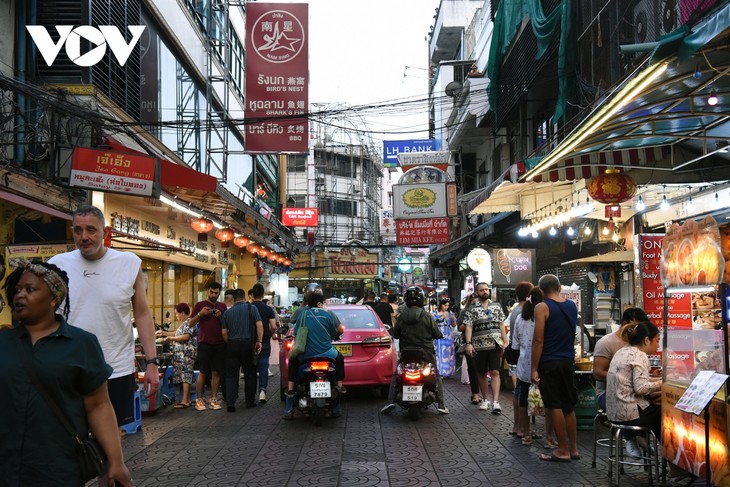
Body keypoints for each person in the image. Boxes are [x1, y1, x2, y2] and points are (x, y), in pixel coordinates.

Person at [0, 260, 132, 486]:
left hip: (58, 469)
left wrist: (115, 461)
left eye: (30, 290)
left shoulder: (81, 344)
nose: (20, 295)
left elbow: (98, 405)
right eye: (18, 290)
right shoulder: (3, 343)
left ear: (54, 299)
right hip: (6, 468)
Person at [49, 204, 160, 430]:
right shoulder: (57, 265)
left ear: (105, 233)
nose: (84, 237)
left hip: (116, 368)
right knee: (70, 436)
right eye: (78, 231)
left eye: (91, 230)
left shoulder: (129, 263)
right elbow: (46, 317)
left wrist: (151, 363)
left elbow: (142, 314)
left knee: (112, 437)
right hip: (69, 368)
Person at [531, 274, 579, 462]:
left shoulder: (542, 307)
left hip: (549, 362)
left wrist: (534, 367)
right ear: (559, 288)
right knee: (568, 405)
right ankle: (573, 449)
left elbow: (538, 339)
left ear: (541, 291)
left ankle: (562, 450)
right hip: (568, 362)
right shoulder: (571, 306)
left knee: (554, 405)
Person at [380, 286, 449, 415]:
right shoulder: (427, 316)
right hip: (426, 353)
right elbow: (435, 333)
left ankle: (390, 401)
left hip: (406, 352)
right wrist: (439, 335)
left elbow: (396, 334)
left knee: (396, 375)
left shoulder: (401, 317)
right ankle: (441, 404)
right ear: (421, 300)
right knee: (436, 375)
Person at [592, 307, 650, 457]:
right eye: (637, 327)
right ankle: (631, 437)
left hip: (636, 393)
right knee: (625, 403)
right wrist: (624, 380)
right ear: (625, 324)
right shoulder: (606, 343)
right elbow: (598, 373)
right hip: (608, 395)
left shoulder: (639, 344)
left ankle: (644, 437)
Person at [284, 286, 345, 420]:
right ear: (319, 303)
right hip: (327, 352)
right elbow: (339, 331)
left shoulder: (303, 314)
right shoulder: (328, 314)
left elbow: (296, 333)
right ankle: (339, 389)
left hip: (306, 354)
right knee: (340, 359)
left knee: (292, 362)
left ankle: (290, 398)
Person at [606, 321, 662, 449]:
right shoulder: (640, 355)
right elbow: (641, 388)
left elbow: (632, 381)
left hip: (613, 413)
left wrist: (657, 379)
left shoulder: (622, 351)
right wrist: (662, 383)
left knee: (654, 409)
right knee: (664, 414)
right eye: (657, 340)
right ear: (647, 340)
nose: (658, 346)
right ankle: (667, 457)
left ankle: (641, 440)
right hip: (628, 415)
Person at [460, 282, 507, 413]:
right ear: (477, 292)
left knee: (495, 372)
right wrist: (469, 343)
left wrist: (505, 342)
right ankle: (486, 399)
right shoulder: (472, 308)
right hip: (479, 345)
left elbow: (501, 324)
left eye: (487, 289)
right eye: (482, 290)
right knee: (481, 373)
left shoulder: (496, 306)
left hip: (495, 343)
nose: (485, 292)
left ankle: (496, 401)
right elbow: (468, 326)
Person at [511, 285, 546, 446]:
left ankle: (525, 433)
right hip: (543, 363)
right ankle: (550, 437)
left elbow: (515, 345)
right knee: (549, 399)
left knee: (523, 397)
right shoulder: (545, 317)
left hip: (524, 364)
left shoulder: (520, 318)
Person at [221, 289, 263, 411]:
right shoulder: (252, 308)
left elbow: (224, 332)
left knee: (231, 375)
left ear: (233, 299)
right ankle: (249, 401)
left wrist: (229, 341)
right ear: (244, 297)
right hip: (248, 345)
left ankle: (230, 403)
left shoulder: (227, 313)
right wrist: (259, 341)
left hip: (232, 345)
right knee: (250, 373)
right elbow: (259, 325)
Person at [189, 281, 227, 411]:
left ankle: (213, 398)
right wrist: (200, 314)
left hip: (220, 344)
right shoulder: (200, 305)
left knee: (216, 372)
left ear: (219, 293)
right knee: (203, 372)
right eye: (211, 292)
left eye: (216, 293)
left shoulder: (222, 306)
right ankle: (199, 399)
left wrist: (221, 316)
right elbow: (190, 324)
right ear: (207, 291)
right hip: (204, 343)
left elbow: (226, 325)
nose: (213, 295)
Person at [156, 302, 197, 409]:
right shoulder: (184, 323)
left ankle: (185, 401)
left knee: (185, 375)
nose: (176, 316)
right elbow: (177, 333)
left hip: (186, 354)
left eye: (177, 314)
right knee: (183, 375)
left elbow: (185, 337)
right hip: (181, 355)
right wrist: (163, 333)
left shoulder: (189, 322)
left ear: (183, 313)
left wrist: (170, 339)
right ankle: (185, 399)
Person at [507, 281, 533, 437]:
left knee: (518, 390)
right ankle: (520, 426)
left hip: (516, 353)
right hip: (522, 355)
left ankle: (518, 425)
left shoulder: (515, 310)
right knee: (520, 391)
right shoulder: (523, 311)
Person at [250, 283, 278, 403]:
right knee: (263, 366)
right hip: (265, 341)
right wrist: (270, 333)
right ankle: (262, 391)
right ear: (262, 294)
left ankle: (250, 394)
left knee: (250, 368)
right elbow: (273, 326)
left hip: (250, 342)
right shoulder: (268, 309)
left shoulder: (248, 307)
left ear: (252, 295)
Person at [458, 292, 481, 403]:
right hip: (469, 343)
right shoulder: (464, 312)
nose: (475, 303)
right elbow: (459, 327)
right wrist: (468, 323)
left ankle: (481, 394)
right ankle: (475, 393)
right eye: (473, 302)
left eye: (477, 301)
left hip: (482, 343)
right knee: (472, 368)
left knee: (481, 369)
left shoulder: (484, 311)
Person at [432, 298, 457, 377]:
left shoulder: (450, 313)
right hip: (438, 333)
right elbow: (433, 323)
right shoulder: (435, 312)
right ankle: (439, 371)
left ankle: (448, 371)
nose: (446, 307)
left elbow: (454, 325)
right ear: (441, 305)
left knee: (448, 352)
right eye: (444, 305)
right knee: (438, 352)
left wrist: (453, 320)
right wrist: (442, 317)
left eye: (447, 305)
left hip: (448, 334)